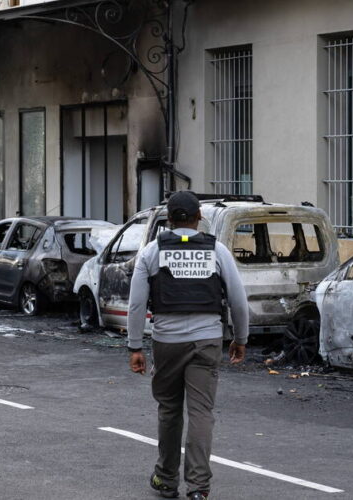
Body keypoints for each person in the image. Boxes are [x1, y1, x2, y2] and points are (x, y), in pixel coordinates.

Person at [127, 190, 249, 499]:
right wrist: (240, 339)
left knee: (169, 410)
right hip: (207, 341)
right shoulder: (217, 251)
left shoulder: (151, 252)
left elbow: (137, 305)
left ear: (168, 220)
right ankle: (198, 488)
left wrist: (135, 347)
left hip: (166, 342)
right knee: (201, 413)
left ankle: (166, 480)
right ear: (199, 219)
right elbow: (238, 300)